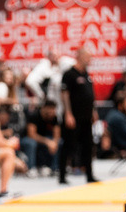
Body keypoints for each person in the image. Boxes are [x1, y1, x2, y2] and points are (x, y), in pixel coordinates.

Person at [61, 48, 97, 184]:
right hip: (74, 117)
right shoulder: (69, 74)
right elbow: (64, 94)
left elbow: (90, 95)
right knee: (69, 145)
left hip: (86, 117)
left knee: (88, 146)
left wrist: (94, 111)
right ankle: (62, 176)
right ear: (79, 56)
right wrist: (68, 113)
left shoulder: (86, 74)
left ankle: (89, 175)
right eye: (88, 57)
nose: (89, 60)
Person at [22, 99, 61, 175]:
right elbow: (31, 134)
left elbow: (57, 134)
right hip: (28, 139)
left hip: (46, 139)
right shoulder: (34, 115)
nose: (52, 112)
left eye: (54, 109)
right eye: (51, 109)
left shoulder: (54, 118)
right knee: (31, 143)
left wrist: (54, 142)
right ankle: (31, 168)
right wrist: (48, 142)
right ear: (44, 108)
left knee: (60, 142)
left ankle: (55, 168)